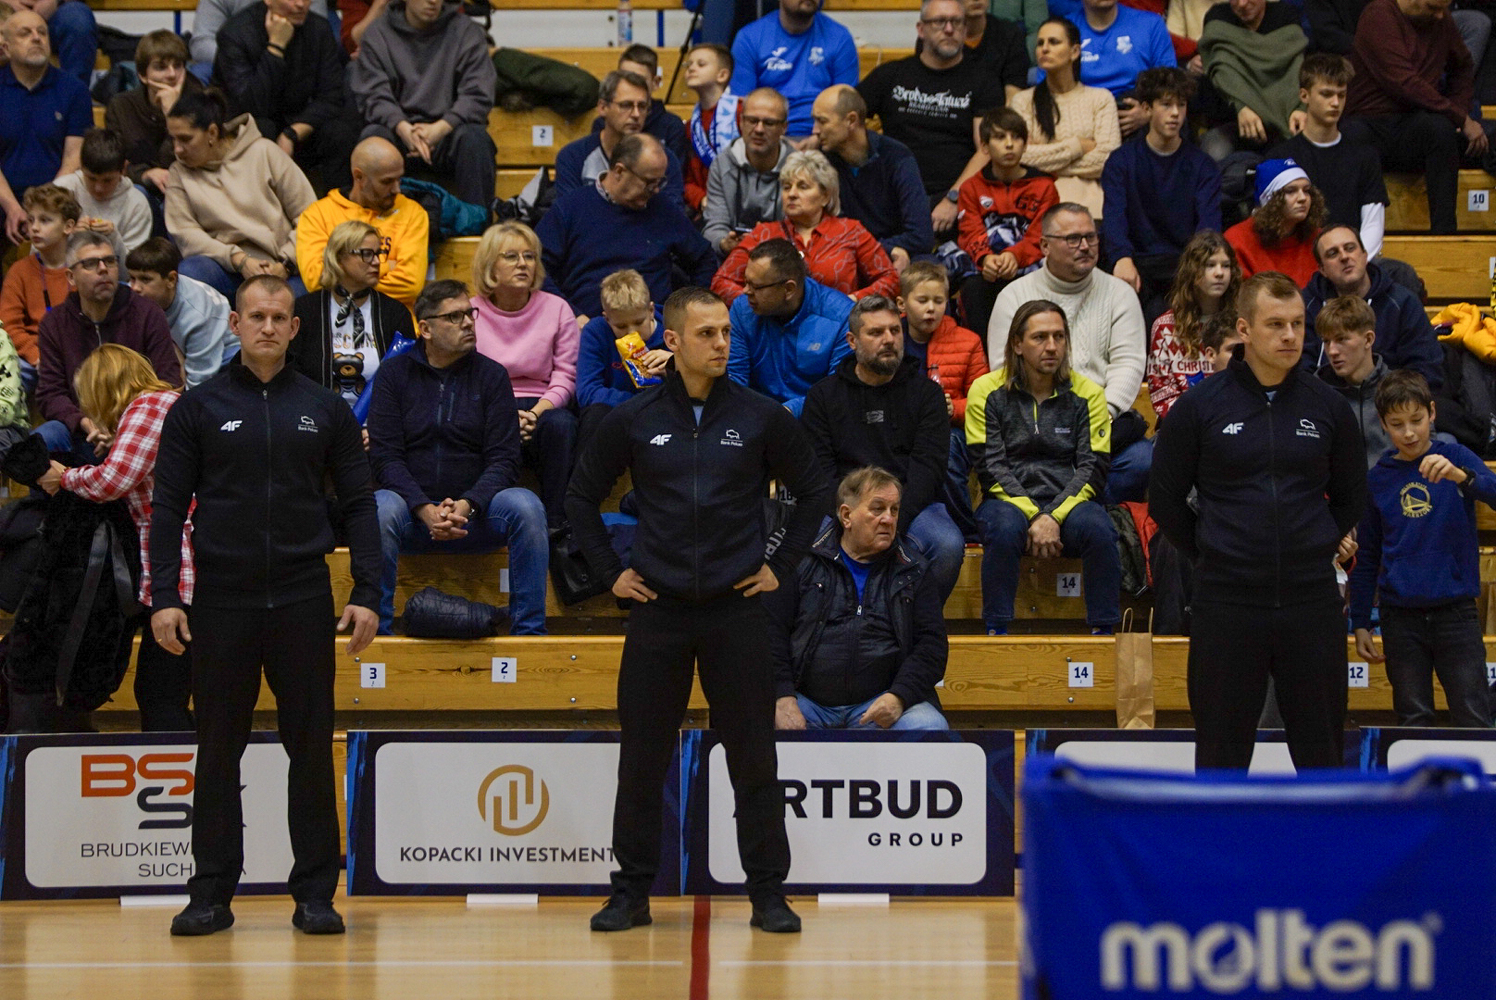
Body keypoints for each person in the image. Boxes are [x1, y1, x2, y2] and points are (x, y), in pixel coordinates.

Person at [565, 286, 830, 936]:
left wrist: (779, 562)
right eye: (707, 333)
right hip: (657, 613)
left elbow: (816, 489)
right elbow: (579, 498)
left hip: (736, 612)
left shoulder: (761, 416)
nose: (721, 344)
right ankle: (630, 894)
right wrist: (611, 573)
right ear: (674, 341)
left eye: (726, 333)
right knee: (642, 758)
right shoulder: (632, 417)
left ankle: (768, 894)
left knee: (754, 759)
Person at [150, 274, 379, 937]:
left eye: (280, 317)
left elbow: (360, 504)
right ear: (236, 324)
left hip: (303, 597)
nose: (269, 327)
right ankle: (210, 894)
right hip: (222, 600)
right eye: (257, 317)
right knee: (217, 750)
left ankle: (315, 894)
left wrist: (369, 591)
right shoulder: (197, 408)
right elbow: (167, 509)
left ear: (295, 327)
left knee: (309, 749)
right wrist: (164, 595)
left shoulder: (326, 409)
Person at [1150, 271, 1366, 769]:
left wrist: (1313, 544)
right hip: (1227, 602)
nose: (1290, 336)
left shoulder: (1329, 406)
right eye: (1275, 325)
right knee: (1221, 759)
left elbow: (1352, 496)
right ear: (1244, 329)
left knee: (1322, 757)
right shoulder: (1199, 406)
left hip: (1311, 601)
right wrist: (1215, 551)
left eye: (1297, 324)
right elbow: (1165, 500)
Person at [369, 279, 548, 636]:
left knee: (526, 506)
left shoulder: (492, 375)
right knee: (379, 507)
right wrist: (425, 509)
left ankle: (529, 635)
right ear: (426, 329)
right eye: (454, 317)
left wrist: (467, 505)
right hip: (411, 515)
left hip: (477, 516)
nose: (467, 323)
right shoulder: (393, 374)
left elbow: (505, 460)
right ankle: (377, 636)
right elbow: (385, 457)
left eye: (470, 313)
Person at [36, 344, 192, 731]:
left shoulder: (149, 406)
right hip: (182, 563)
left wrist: (64, 477)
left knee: (160, 693)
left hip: (183, 567)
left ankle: (185, 764)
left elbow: (113, 480)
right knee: (164, 690)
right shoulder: (161, 406)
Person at [1350, 368, 1496, 728]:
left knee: (1473, 715)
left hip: (1456, 612)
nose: (1409, 433)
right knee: (1413, 718)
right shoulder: (1378, 478)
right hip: (1400, 617)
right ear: (1383, 424)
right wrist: (1361, 621)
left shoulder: (1456, 456)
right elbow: (1367, 555)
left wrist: (1461, 477)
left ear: (1432, 412)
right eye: (1397, 424)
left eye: (1416, 420)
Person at [967, 298, 1120, 635]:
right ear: (1017, 344)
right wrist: (1035, 515)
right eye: (1040, 337)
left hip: (1068, 502)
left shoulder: (1089, 394)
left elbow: (1093, 468)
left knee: (1100, 529)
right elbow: (990, 466)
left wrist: (1053, 515)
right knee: (1004, 529)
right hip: (1006, 501)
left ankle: (1105, 632)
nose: (1052, 347)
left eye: (1059, 336)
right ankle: (996, 631)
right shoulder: (986, 391)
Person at [802, 295, 965, 602]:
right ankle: (835, 620)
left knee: (946, 544)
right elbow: (820, 473)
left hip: (910, 505)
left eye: (894, 330)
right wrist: (855, 519)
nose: (889, 340)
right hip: (842, 507)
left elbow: (928, 470)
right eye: (876, 333)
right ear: (852, 341)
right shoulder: (823, 396)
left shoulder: (927, 394)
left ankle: (913, 618)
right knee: (801, 539)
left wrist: (891, 520)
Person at [768, 467, 950, 732]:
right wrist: (782, 696)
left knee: (928, 726)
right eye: (877, 509)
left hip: (880, 705)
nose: (888, 519)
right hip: (806, 703)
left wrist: (899, 697)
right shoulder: (800, 562)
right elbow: (770, 633)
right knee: (754, 715)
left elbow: (932, 647)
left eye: (894, 510)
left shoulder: (914, 570)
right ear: (846, 515)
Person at [857, 0, 1009, 239]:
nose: (949, 29)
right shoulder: (890, 75)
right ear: (921, 29)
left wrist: (954, 198)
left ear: (965, 29)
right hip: (892, 192)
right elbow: (846, 115)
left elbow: (986, 148)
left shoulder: (983, 81)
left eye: (956, 22)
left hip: (952, 195)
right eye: (939, 22)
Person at [988, 203, 1146, 421]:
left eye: (1090, 237)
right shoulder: (1013, 296)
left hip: (1102, 418)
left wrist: (1103, 414)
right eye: (1073, 239)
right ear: (1045, 246)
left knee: (1138, 443)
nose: (1085, 246)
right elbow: (1004, 369)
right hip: (1033, 420)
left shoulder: (1120, 294)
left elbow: (1128, 364)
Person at [537, 133, 716, 324]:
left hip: (653, 329)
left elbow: (704, 259)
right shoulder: (570, 209)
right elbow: (537, 268)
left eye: (659, 182)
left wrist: (684, 311)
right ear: (619, 171)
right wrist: (572, 315)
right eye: (649, 182)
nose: (656, 190)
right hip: (588, 326)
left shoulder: (663, 209)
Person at [35, 231, 182, 459]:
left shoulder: (147, 313)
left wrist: (127, 428)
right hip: (82, 431)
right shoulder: (54, 324)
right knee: (44, 438)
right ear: (71, 277)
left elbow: (168, 380)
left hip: (139, 429)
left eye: (110, 261)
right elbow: (50, 393)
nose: (103, 269)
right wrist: (84, 423)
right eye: (91, 263)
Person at [472, 222, 579, 529]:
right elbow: (465, 379)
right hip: (488, 406)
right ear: (490, 265)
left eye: (529, 256)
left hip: (542, 405)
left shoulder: (557, 308)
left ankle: (556, 525)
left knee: (562, 425)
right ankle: (476, 517)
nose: (523, 264)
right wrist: (505, 416)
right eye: (511, 256)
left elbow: (566, 375)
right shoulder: (470, 312)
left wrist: (533, 414)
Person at [1342, 0, 1482, 236]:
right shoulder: (1378, 15)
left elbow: (1463, 66)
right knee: (1350, 135)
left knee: (1441, 131)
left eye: (1443, 9)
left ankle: (1445, 235)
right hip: (1368, 121)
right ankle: (1349, 235)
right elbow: (1403, 82)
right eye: (1432, 8)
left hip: (1413, 122)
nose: (1440, 16)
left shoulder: (1441, 19)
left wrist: (1459, 108)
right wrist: (1461, 117)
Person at [165, 89, 317, 301]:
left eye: (185, 139)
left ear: (212, 133)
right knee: (191, 271)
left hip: (282, 266)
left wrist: (286, 263)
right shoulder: (178, 173)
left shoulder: (264, 152)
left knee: (306, 292)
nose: (177, 149)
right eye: (173, 139)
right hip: (227, 269)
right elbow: (186, 233)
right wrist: (238, 259)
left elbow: (309, 215)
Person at [348, 0, 498, 210]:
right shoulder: (377, 33)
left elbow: (477, 93)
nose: (433, 1)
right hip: (398, 132)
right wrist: (402, 128)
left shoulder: (466, 31)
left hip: (448, 133)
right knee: (373, 139)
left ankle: (477, 222)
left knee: (475, 139)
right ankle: (370, 223)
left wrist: (441, 127)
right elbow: (373, 94)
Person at [1101, 67, 1221, 320]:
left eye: (1181, 105)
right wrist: (1121, 257)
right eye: (1166, 105)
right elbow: (1114, 216)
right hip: (1138, 263)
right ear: (1146, 109)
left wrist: (1196, 267)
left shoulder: (1202, 165)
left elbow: (1208, 226)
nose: (1175, 113)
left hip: (1185, 265)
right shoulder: (1121, 162)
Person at [713, 150, 900, 304]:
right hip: (774, 327)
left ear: (825, 196)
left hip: (837, 327)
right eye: (787, 187)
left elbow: (891, 280)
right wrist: (757, 303)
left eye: (803, 187)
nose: (792, 194)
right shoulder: (764, 234)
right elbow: (721, 282)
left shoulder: (850, 231)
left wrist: (852, 301)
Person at [212, 0, 359, 192]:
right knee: (262, 129)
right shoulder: (235, 33)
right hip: (251, 127)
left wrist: (292, 133)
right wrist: (275, 47)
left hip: (299, 126)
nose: (301, 4)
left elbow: (331, 96)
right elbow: (250, 106)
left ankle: (338, 205)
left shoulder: (318, 29)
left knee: (339, 132)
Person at [901, 261, 989, 540]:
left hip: (952, 429)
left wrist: (955, 409)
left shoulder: (968, 341)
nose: (931, 308)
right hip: (900, 426)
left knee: (946, 447)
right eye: (922, 301)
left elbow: (984, 400)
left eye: (938, 301)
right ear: (902, 303)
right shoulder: (891, 339)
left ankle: (965, 531)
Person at [1268, 54, 1388, 257]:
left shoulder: (1365, 157)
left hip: (1352, 262)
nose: (1335, 103)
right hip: (1296, 261)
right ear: (1304, 96)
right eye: (1326, 94)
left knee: (1400, 272)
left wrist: (1354, 261)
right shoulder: (1280, 158)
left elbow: (1373, 225)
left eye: (1341, 95)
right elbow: (1272, 222)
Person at [290, 220, 417, 409]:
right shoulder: (305, 310)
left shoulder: (395, 313)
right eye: (366, 254)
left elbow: (408, 381)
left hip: (377, 421)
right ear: (339, 257)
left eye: (378, 254)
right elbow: (292, 376)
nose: (376, 262)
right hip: (316, 418)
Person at [956, 107, 1059, 336]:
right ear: (985, 146)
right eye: (1000, 137)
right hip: (986, 268)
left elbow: (1042, 235)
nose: (1009, 144)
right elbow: (970, 231)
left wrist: (1014, 256)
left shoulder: (1045, 187)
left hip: (1030, 266)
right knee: (972, 287)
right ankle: (982, 352)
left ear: (1025, 144)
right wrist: (986, 258)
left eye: (1016, 137)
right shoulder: (970, 188)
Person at [727, 238, 855, 416]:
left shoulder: (840, 316)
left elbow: (837, 389)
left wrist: (786, 413)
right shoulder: (742, 310)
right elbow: (735, 378)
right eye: (746, 282)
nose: (745, 291)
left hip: (816, 417)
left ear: (788, 289)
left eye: (756, 286)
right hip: (754, 415)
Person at [810, 86, 934, 269]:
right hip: (847, 258)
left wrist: (881, 249)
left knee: (927, 273)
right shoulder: (821, 161)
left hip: (900, 257)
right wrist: (878, 249)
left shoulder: (897, 157)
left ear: (851, 120)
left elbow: (922, 236)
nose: (815, 130)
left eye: (822, 121)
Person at [1010, 17, 1122, 220]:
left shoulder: (1100, 98)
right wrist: (1077, 146)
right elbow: (1018, 157)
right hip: (1035, 210)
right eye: (1040, 43)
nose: (1044, 49)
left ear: (1075, 51)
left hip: (1092, 211)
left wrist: (1044, 160)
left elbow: (1108, 161)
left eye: (1054, 42)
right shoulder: (1023, 101)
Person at [1301, 225, 1443, 384]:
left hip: (1391, 396)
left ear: (1364, 255)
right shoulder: (1307, 306)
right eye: (1333, 253)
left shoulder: (1403, 303)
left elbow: (1426, 371)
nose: (1344, 257)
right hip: (1324, 396)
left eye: (1350, 248)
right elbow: (1300, 369)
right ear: (1322, 269)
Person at [297, 137, 428, 308]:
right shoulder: (317, 215)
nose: (397, 189)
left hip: (393, 319)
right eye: (387, 181)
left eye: (399, 179)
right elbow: (317, 282)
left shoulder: (413, 212)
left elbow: (410, 285)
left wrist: (349, 278)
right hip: (336, 320)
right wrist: (388, 266)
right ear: (359, 177)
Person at [0, 11, 90, 244]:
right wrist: (12, 208)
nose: (36, 38)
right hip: (4, 198)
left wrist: (43, 206)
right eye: (25, 33)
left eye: (42, 32)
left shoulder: (74, 90)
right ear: (6, 48)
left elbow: (73, 157)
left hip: (57, 197)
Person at [553, 71, 686, 210]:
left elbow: (673, 214)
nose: (636, 114)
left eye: (642, 106)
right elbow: (569, 214)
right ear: (603, 107)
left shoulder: (662, 158)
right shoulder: (573, 157)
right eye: (626, 105)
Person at [729, 0, 858, 140]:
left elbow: (846, 105)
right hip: (767, 137)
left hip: (825, 138)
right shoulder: (749, 38)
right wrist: (780, 142)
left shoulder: (840, 37)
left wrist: (817, 138)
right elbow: (743, 108)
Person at [1196, 0, 1308, 161]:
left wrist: (1299, 108)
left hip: (1285, 118)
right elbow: (1221, 69)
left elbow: (1294, 71)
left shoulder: (1285, 16)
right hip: (1231, 121)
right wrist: (1240, 107)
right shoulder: (1219, 18)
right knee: (1214, 152)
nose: (1242, 4)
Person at [1147, 229, 1240, 422]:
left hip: (1235, 421)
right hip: (1184, 426)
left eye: (1226, 266)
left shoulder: (1242, 323)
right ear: (1192, 272)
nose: (1220, 273)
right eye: (1210, 265)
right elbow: (1162, 395)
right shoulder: (1165, 327)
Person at [106, 30, 205, 206]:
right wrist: (145, 174)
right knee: (137, 194)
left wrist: (172, 113)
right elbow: (114, 163)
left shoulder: (200, 103)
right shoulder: (121, 106)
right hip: (140, 186)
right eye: (161, 67)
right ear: (142, 75)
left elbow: (190, 161)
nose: (172, 74)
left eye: (178, 66)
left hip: (188, 185)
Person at [127, 237, 236, 389]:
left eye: (145, 280)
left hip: (221, 356)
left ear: (171, 280)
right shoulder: (136, 294)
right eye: (132, 278)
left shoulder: (197, 315)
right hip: (177, 351)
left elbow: (199, 383)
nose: (135, 288)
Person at [575, 268, 667, 447]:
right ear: (607, 319)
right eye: (621, 326)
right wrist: (640, 404)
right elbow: (587, 392)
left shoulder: (672, 331)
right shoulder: (596, 332)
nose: (632, 332)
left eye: (639, 322)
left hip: (663, 417)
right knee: (595, 414)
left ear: (650, 310)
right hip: (616, 414)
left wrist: (675, 366)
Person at [0, 183, 78, 390]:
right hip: (32, 355)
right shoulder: (20, 270)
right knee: (12, 372)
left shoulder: (83, 269)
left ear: (68, 226)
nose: (34, 228)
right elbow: (9, 325)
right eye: (31, 220)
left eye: (45, 220)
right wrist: (35, 355)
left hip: (76, 354)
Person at [701, 88, 794, 258]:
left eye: (769, 123)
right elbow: (714, 225)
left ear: (784, 127)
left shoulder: (798, 169)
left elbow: (802, 230)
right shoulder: (722, 164)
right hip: (731, 257)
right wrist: (724, 243)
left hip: (783, 259)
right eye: (752, 120)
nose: (759, 129)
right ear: (741, 122)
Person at [1314, 294, 1392, 467]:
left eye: (1341, 339)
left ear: (1368, 339)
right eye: (1326, 341)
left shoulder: (1400, 390)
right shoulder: (1314, 395)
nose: (1332, 351)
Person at [1224, 158, 1325, 285]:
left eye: (1306, 190)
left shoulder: (1319, 238)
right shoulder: (1238, 240)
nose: (1302, 198)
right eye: (1291, 191)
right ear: (1270, 199)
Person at [54, 128, 154, 255]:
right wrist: (69, 236)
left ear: (123, 170)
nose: (98, 188)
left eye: (107, 180)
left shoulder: (137, 204)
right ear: (81, 167)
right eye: (91, 179)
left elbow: (133, 265)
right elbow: (39, 251)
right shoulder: (62, 190)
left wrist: (114, 238)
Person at [595, 44, 689, 169]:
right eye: (624, 77)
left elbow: (673, 175)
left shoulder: (671, 126)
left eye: (639, 79)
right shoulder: (604, 122)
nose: (631, 85)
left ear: (655, 82)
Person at [188, 0, 330, 68]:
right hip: (237, 61)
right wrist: (242, 60)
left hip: (297, 59)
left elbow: (317, 36)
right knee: (202, 71)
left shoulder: (303, 4)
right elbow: (201, 43)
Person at [682, 43, 739, 214]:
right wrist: (700, 199)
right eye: (688, 64)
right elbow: (688, 177)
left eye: (701, 64)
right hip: (707, 207)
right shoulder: (692, 125)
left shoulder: (742, 113)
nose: (691, 68)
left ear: (722, 75)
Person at [0, 0, 95, 85]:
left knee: (78, 21)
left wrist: (55, 1)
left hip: (55, 14)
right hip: (5, 11)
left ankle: (73, 94)